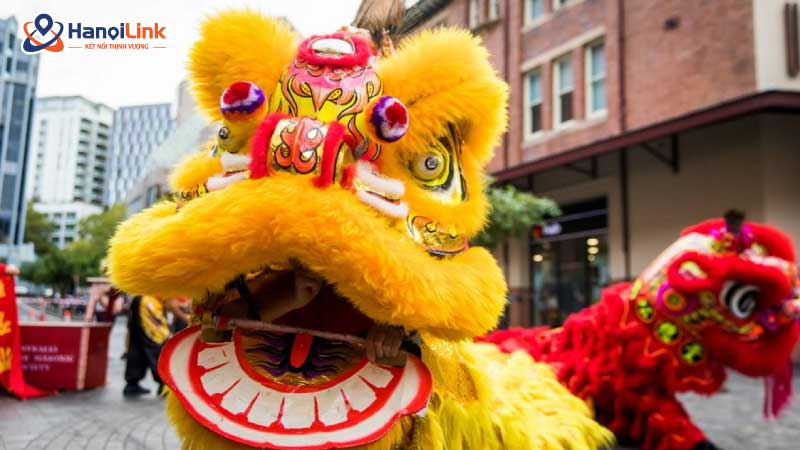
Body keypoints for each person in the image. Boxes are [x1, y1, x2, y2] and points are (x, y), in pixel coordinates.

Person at [123, 295, 170, 397]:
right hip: (148, 300)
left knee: (138, 345)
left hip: (144, 299)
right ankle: (163, 384)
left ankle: (132, 383)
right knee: (155, 345)